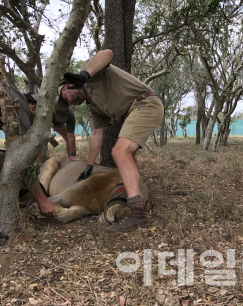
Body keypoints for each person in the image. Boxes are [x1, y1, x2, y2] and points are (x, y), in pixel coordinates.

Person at [55, 49, 164, 233]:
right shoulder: (93, 106)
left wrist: (84, 74)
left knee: (120, 152)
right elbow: (97, 135)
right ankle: (139, 196)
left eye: (65, 99)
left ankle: (137, 213)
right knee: (127, 155)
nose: (69, 104)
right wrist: (89, 165)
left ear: (68, 86)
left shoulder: (89, 71)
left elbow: (107, 53)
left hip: (145, 104)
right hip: (134, 111)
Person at [0, 72, 56, 251]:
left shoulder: (15, 96)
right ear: (34, 106)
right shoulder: (22, 110)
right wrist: (42, 200)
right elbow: (20, 161)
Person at [25, 94, 78, 160]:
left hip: (59, 123)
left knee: (68, 138)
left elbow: (71, 136)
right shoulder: (43, 107)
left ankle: (71, 158)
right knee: (39, 142)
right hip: (44, 121)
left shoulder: (69, 114)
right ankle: (37, 164)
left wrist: (73, 154)